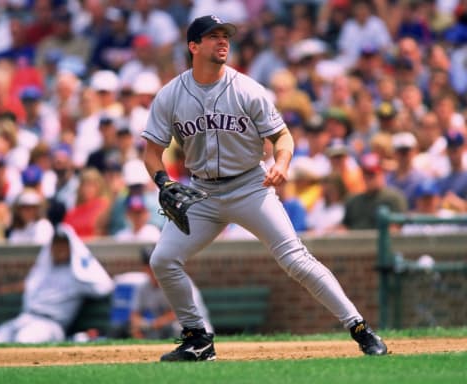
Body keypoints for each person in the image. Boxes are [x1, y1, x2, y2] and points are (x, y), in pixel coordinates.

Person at [141, 15, 388, 362]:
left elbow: (282, 136)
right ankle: (197, 338)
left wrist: (282, 164)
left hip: (249, 186)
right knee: (164, 259)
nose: (223, 41)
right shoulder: (170, 95)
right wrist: (163, 180)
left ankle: (361, 330)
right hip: (203, 193)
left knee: (296, 260)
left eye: (225, 35)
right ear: (193, 46)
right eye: (213, 36)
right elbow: (152, 152)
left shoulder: (248, 90)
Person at [0, 224, 114, 343]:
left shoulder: (78, 274)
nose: (59, 248)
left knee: (24, 339)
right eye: (56, 244)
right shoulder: (45, 269)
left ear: (71, 247)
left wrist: (86, 265)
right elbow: (29, 284)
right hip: (26, 317)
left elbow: (104, 287)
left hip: (51, 324)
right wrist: (7, 289)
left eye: (63, 244)